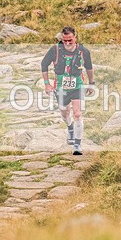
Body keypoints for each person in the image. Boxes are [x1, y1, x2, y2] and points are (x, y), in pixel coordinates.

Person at [41, 26, 95, 155]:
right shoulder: (55, 50)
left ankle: (77, 144)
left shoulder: (83, 51)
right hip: (60, 87)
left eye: (70, 40)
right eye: (64, 40)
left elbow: (89, 67)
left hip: (77, 86)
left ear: (75, 37)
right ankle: (70, 127)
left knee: (77, 113)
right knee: (65, 113)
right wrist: (47, 84)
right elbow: (44, 64)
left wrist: (91, 83)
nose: (67, 43)